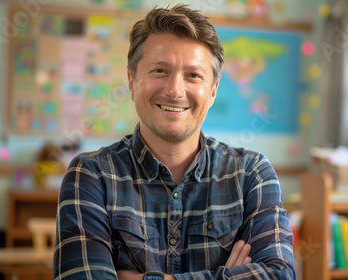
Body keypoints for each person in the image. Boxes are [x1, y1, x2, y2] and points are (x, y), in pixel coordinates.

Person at [54, 4, 296, 280]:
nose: (174, 90)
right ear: (132, 82)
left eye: (193, 75)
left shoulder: (251, 174)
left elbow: (279, 275)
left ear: (213, 90)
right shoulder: (90, 175)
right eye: (159, 71)